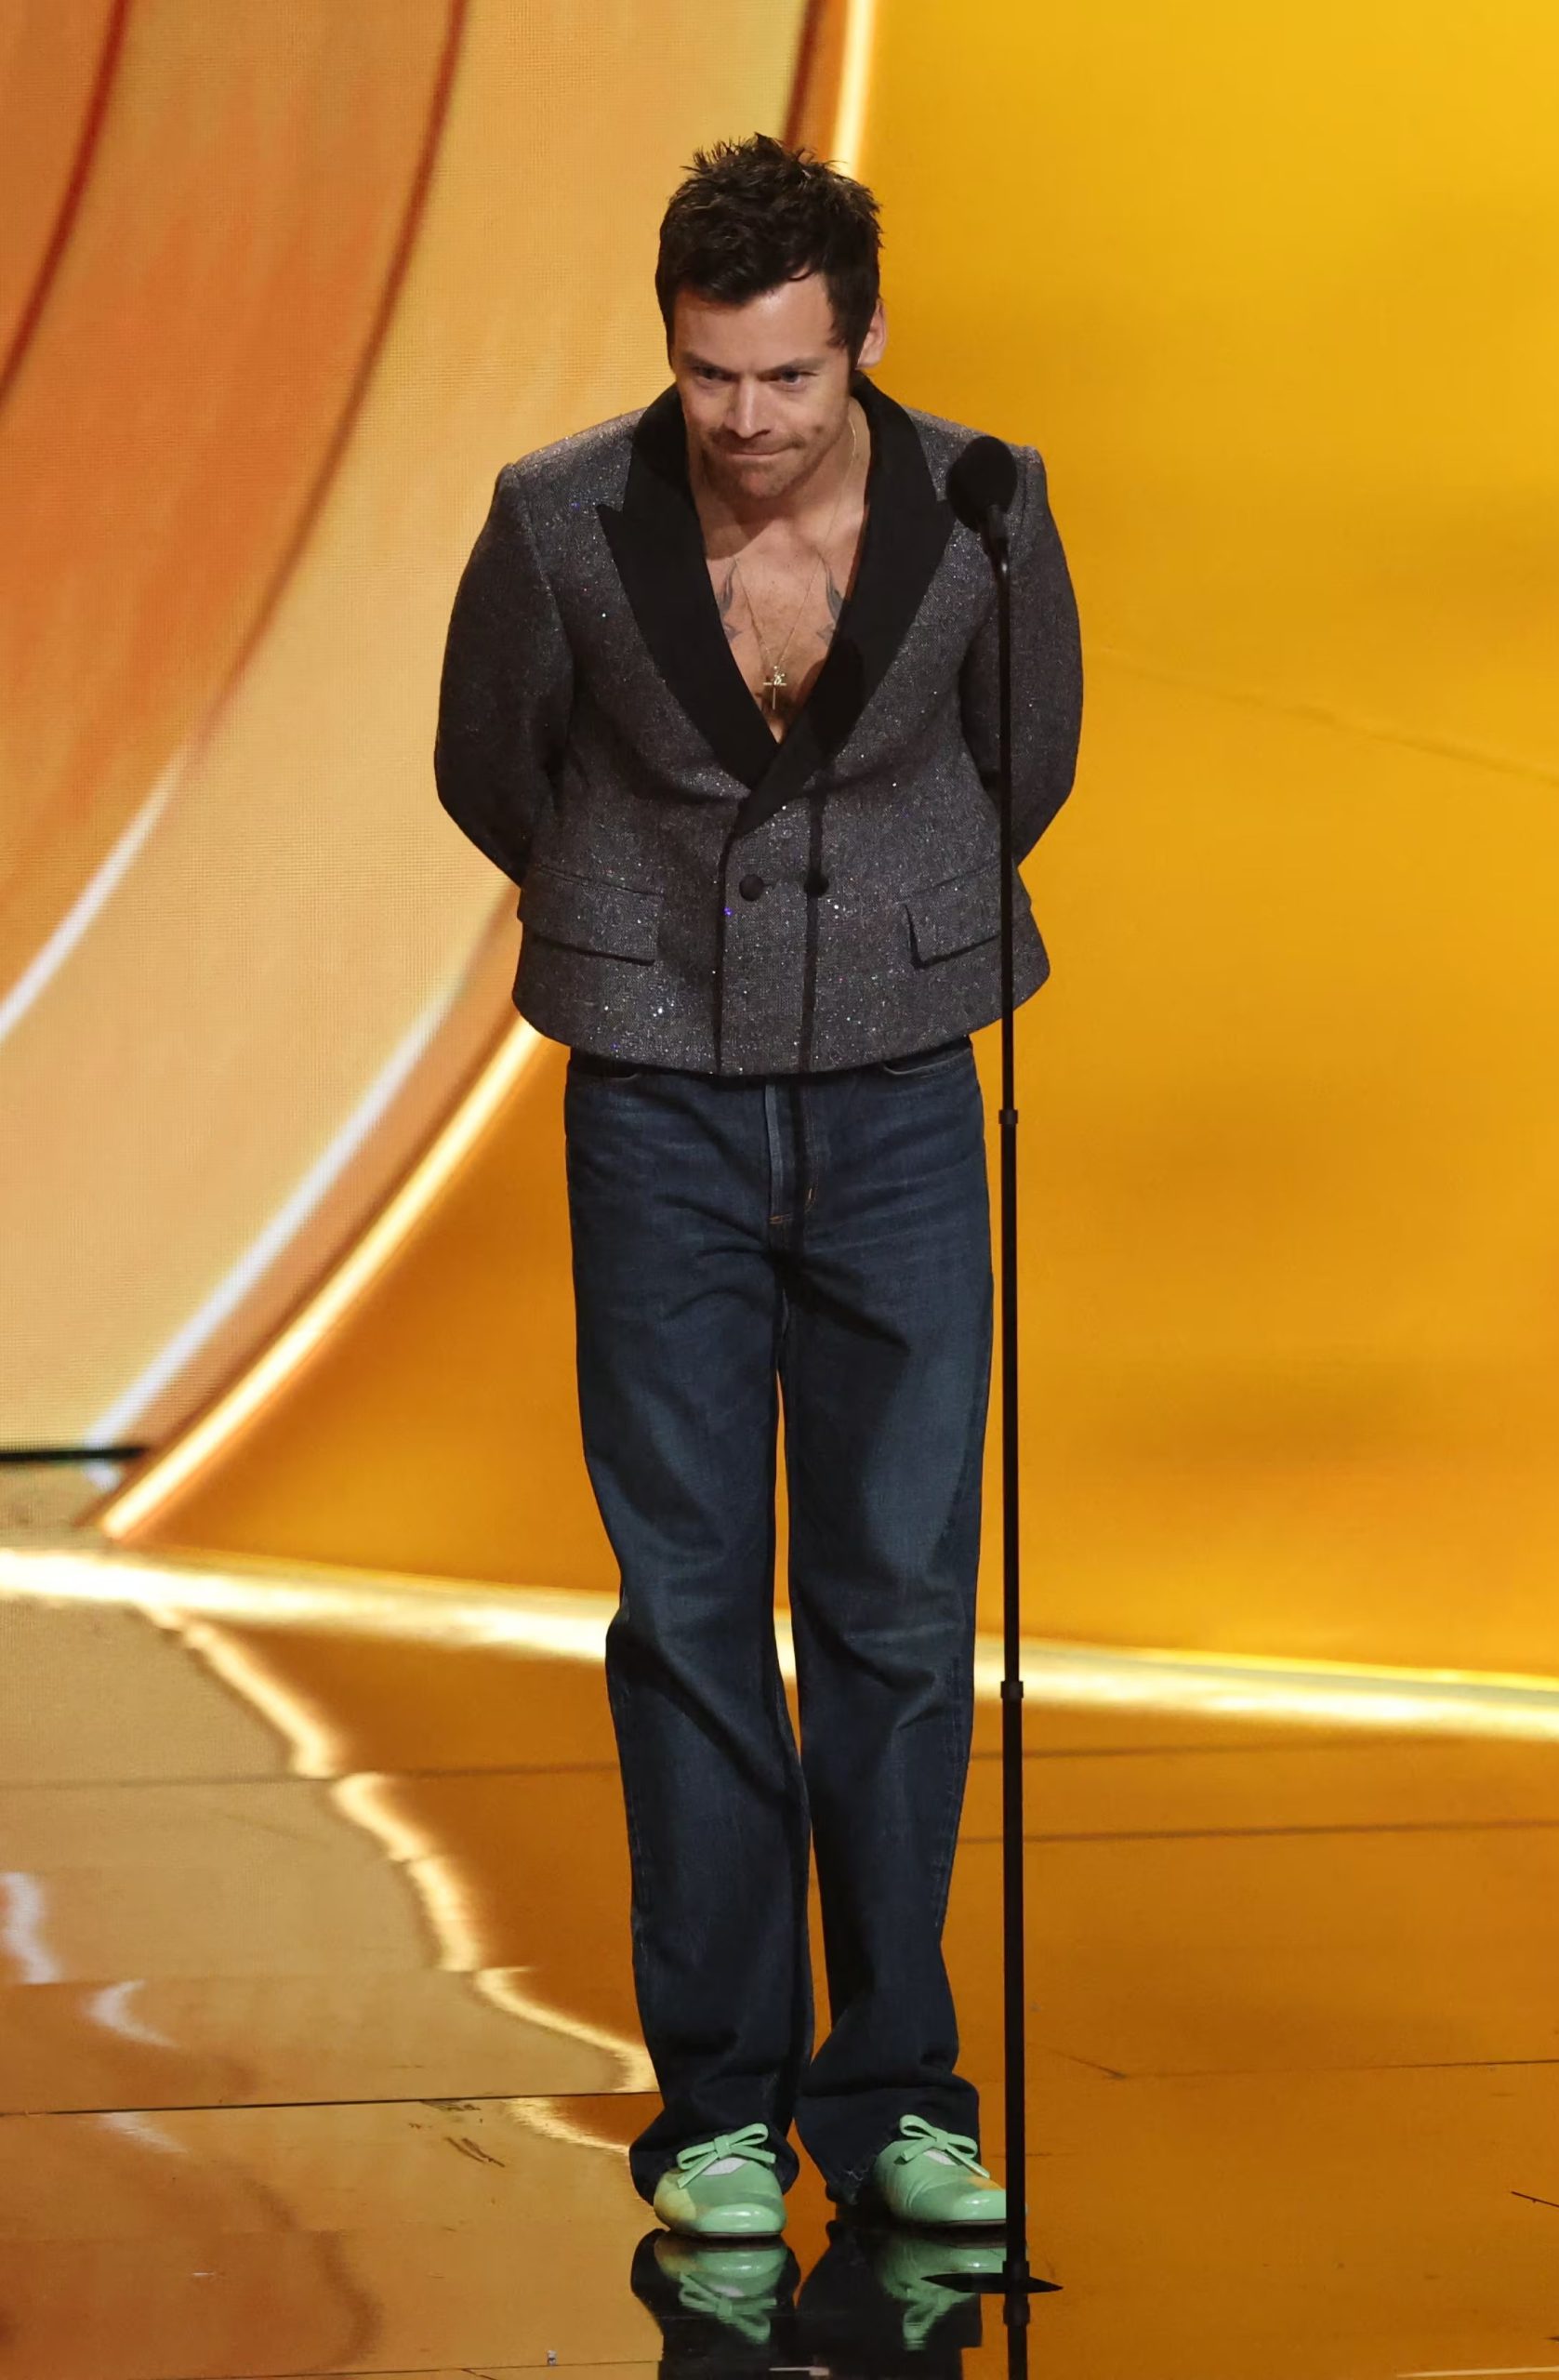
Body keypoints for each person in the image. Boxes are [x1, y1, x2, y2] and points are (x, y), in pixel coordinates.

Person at [434, 133, 1082, 2240]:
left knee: (896, 1603)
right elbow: (490, 764)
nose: (745, 422)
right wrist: (641, 928)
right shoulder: (556, 521)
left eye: (787, 377)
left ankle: (895, 2084)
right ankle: (717, 2101)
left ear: (861, 342)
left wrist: (886, 916)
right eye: (711, 376)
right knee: (691, 1602)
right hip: (658, 1104)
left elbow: (1032, 758)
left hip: (900, 1097)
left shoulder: (983, 502)